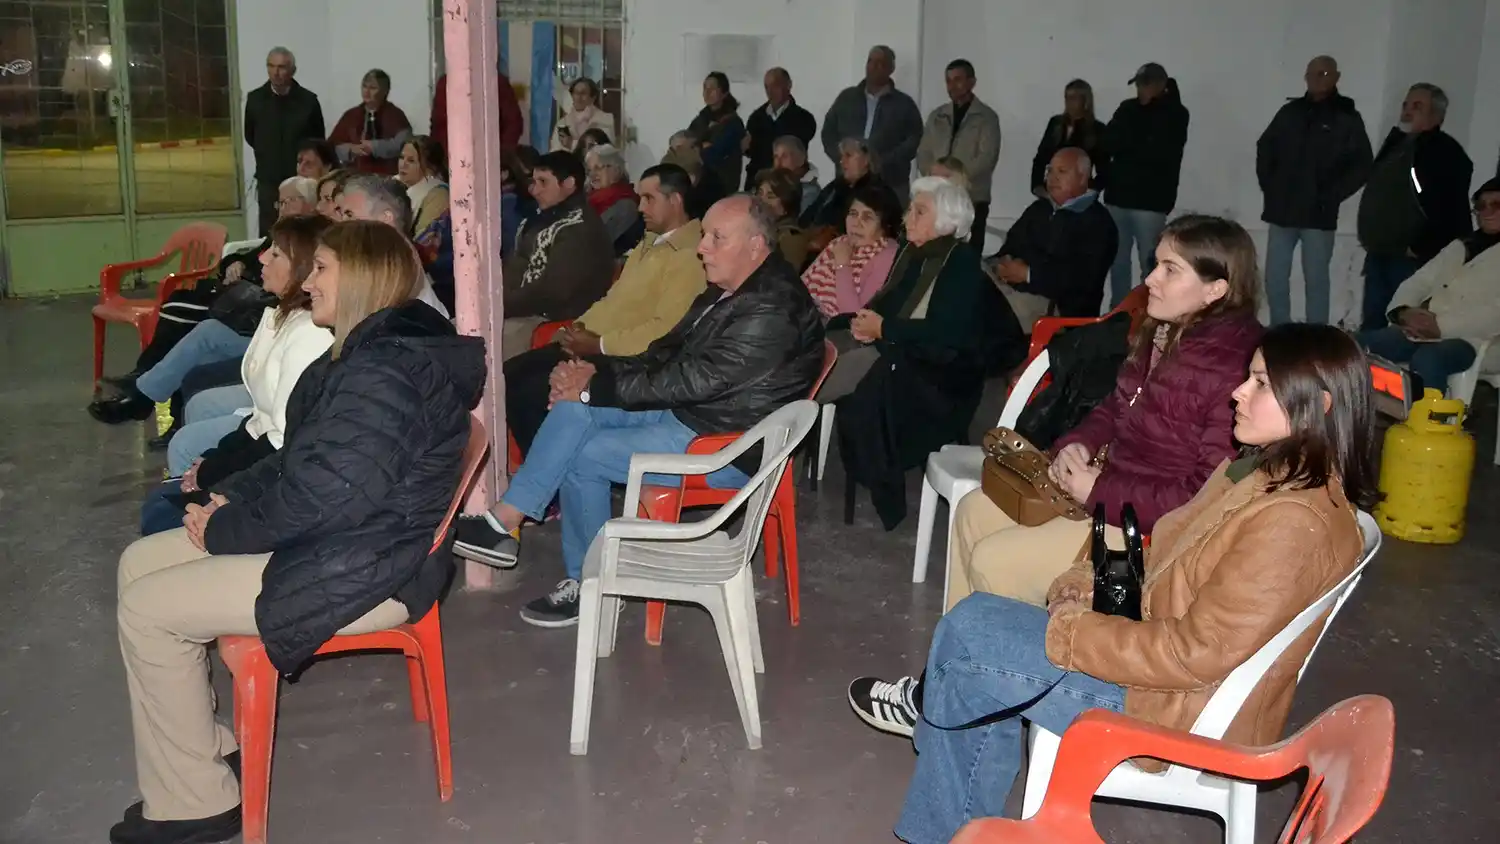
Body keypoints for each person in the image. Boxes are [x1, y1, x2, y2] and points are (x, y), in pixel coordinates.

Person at [858, 323, 1373, 844]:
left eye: (1261, 383)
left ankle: (936, 779)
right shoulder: (1262, 475)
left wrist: (1074, 632)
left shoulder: (1292, 523)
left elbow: (1195, 654)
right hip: (1158, 665)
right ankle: (945, 800)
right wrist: (1088, 582)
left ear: (1319, 405)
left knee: (966, 646)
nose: (1239, 390)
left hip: (1174, 706)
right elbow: (1166, 557)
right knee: (971, 633)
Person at [107, 220, 485, 844]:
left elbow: (326, 497)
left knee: (148, 609)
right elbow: (298, 464)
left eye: (322, 268)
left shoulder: (382, 375)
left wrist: (226, 528)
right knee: (138, 563)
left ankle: (196, 805)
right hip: (344, 541)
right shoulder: (366, 355)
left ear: (361, 279)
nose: (308, 281)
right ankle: (206, 753)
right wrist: (226, 496)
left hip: (365, 567)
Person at [453, 196, 823, 626]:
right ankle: (504, 524)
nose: (701, 247)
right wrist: (595, 373)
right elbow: (665, 353)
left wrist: (593, 387)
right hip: (695, 414)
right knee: (574, 413)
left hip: (724, 442)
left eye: (716, 238)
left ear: (757, 246)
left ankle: (592, 587)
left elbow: (690, 379)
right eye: (704, 235)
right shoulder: (730, 290)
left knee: (583, 452)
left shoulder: (770, 309)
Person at [942, 214, 1264, 612]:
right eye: (1155, 264)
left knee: (996, 563)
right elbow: (1116, 407)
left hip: (1148, 534)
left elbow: (1202, 498)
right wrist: (1078, 442)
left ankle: (1005, 667)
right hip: (1112, 492)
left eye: (1170, 270)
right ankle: (951, 667)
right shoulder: (1165, 332)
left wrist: (1097, 491)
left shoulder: (1234, 370)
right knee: (974, 511)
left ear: (1215, 289)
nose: (1150, 280)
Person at [467, 164, 707, 492]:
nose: (640, 207)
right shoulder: (649, 243)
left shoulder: (689, 256)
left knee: (531, 390)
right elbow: (612, 301)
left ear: (676, 201)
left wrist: (598, 345)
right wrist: (576, 330)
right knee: (510, 375)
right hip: (598, 342)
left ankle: (556, 485)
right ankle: (547, 479)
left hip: (633, 358)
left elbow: (662, 331)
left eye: (649, 199)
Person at [832, 177, 1026, 529]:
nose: (908, 217)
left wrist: (884, 330)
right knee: (834, 347)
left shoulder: (960, 263)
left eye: (919, 211)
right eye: (911, 209)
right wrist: (867, 323)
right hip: (906, 352)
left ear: (947, 223)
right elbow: (888, 306)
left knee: (843, 374)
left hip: (943, 377)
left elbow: (948, 334)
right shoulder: (913, 254)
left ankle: (786, 433)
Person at [139, 215, 336, 535]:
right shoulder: (284, 316)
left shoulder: (310, 334)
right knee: (159, 504)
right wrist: (213, 461)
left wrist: (216, 477)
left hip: (280, 482)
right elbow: (260, 420)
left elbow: (282, 444)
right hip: (267, 459)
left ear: (300, 267)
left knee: (159, 514)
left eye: (275, 253)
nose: (261, 257)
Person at [87, 177, 324, 426]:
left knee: (187, 319)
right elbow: (250, 257)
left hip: (253, 312)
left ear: (310, 203)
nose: (282, 207)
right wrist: (235, 263)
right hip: (247, 305)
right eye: (280, 202)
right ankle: (145, 391)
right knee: (186, 315)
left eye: (289, 201)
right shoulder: (282, 234)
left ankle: (143, 390)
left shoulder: (304, 242)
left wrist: (252, 277)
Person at [1256, 55, 1373, 325]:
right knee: (1274, 277)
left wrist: (1330, 195)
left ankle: (1317, 340)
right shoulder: (1290, 113)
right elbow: (1266, 148)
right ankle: (1280, 333)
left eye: (1322, 74)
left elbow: (1362, 164)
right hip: (1282, 211)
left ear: (1336, 77)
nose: (1316, 79)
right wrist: (1271, 188)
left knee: (1316, 280)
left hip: (1318, 215)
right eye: (1311, 74)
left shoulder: (1346, 117)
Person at [1358, 177, 1500, 391]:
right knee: (1358, 345)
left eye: (1496, 205)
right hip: (1422, 330)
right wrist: (1403, 312)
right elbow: (1419, 281)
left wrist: (1440, 326)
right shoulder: (1462, 246)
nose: (1487, 211)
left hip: (1478, 340)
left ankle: (1429, 422)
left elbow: (1495, 314)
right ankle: (1353, 414)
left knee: (1429, 359)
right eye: (1481, 206)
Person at [1356, 82, 1474, 330]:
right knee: (1373, 324)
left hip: (1410, 258)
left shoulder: (1445, 152)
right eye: (1406, 105)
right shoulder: (1397, 145)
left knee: (1401, 330)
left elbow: (1448, 209)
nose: (1407, 111)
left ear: (1436, 115)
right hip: (1381, 251)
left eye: (1417, 106)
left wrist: (1420, 246)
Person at [500, 151, 614, 358]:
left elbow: (553, 291)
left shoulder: (579, 228)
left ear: (569, 183)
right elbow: (516, 267)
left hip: (554, 318)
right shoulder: (540, 220)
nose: (535, 190)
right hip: (522, 311)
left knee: (485, 349)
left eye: (543, 182)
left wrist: (501, 306)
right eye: (533, 182)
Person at [988, 147, 1118, 327]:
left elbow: (1082, 281)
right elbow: (1012, 245)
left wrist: (1028, 274)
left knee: (984, 316)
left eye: (1062, 171)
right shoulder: (1040, 209)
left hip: (1059, 311)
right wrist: (1001, 264)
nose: (1052, 177)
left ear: (1083, 178)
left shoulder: (1099, 223)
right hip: (1013, 289)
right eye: (1049, 170)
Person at [1102, 62, 1190, 305]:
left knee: (1150, 263)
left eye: (1146, 84)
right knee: (1117, 261)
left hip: (1151, 201)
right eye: (1140, 84)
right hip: (1118, 196)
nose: (1141, 89)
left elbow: (1158, 151)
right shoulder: (1127, 108)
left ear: (1161, 85)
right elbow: (1108, 142)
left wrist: (1130, 138)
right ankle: (1119, 314)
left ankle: (1146, 313)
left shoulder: (1175, 113)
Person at [334, 173, 452, 318]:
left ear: (386, 218)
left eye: (349, 214)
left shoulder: (394, 265)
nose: (341, 223)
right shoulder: (391, 259)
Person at [916, 59, 1002, 252]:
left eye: (958, 80)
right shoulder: (937, 116)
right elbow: (923, 153)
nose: (952, 86)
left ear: (972, 82)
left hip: (972, 197)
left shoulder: (987, 118)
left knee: (967, 256)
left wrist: (953, 178)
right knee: (935, 253)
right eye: (948, 81)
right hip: (936, 197)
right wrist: (935, 176)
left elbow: (986, 158)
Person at [821, 45, 925, 203]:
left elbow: (914, 139)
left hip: (890, 182)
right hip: (849, 181)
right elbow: (828, 132)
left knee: (889, 225)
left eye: (881, 63)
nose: (875, 66)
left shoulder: (904, 104)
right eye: (871, 61)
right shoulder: (846, 98)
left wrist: (879, 161)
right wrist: (844, 158)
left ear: (891, 69)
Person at [244, 47, 323, 235]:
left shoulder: (308, 101)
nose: (276, 72)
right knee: (269, 231)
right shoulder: (255, 100)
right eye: (271, 66)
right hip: (268, 181)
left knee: (300, 232)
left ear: (292, 70)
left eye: (281, 67)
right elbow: (250, 135)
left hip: (300, 181)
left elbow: (318, 141)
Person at [800, 184, 903, 319]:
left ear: (886, 224)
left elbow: (855, 316)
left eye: (867, 217)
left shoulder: (887, 253)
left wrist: (843, 265)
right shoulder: (841, 242)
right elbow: (801, 287)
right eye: (853, 214)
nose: (856, 223)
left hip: (837, 330)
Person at [327, 69, 413, 176]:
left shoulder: (395, 115)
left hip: (387, 178)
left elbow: (405, 146)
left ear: (385, 91)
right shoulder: (351, 115)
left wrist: (374, 147)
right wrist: (351, 149)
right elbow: (331, 147)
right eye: (364, 86)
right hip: (354, 178)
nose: (366, 92)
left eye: (373, 88)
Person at [744, 67, 817, 191]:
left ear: (789, 85)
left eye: (775, 85)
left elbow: (794, 148)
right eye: (767, 87)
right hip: (758, 182)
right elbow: (750, 150)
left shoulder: (804, 118)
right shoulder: (756, 117)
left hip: (787, 184)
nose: (770, 91)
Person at [1031, 79, 1107, 198]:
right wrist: (1037, 186)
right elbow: (1040, 158)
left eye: (1074, 98)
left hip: (1079, 194)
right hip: (1051, 191)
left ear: (1085, 101)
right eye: (1067, 97)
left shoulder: (1097, 129)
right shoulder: (1055, 123)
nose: (1069, 102)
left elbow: (1104, 169)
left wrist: (1090, 191)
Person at [802, 138, 892, 231]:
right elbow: (807, 216)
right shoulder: (835, 186)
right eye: (841, 156)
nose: (842, 161)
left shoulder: (877, 193)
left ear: (866, 160)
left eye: (848, 155)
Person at [430, 66, 523, 153]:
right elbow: (438, 126)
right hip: (451, 159)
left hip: (489, 159)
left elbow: (513, 123)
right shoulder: (446, 84)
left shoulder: (496, 82)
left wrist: (499, 156)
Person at [688, 72, 747, 193]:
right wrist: (702, 146)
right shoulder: (700, 120)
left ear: (724, 93)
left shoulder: (733, 122)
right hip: (699, 180)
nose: (707, 92)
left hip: (722, 183)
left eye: (712, 88)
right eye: (705, 88)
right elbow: (687, 146)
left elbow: (714, 154)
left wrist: (700, 148)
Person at [583, 143, 643, 255]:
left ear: (615, 170)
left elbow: (597, 244)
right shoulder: (588, 200)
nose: (592, 174)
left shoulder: (625, 205)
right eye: (589, 170)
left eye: (598, 168)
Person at [753, 167, 812, 268]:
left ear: (786, 205)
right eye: (760, 193)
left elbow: (784, 280)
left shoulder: (792, 239)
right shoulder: (758, 228)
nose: (760, 200)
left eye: (770, 196)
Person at [396, 135, 450, 236]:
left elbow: (426, 241)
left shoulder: (438, 195)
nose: (403, 164)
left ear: (430, 168)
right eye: (401, 157)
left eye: (411, 161)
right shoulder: (392, 183)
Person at [551, 76, 615, 152]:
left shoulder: (605, 119)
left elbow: (604, 150)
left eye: (583, 93)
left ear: (593, 97)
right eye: (576, 93)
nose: (578, 97)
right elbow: (555, 151)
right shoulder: (563, 123)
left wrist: (572, 144)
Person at [771, 135, 821, 216]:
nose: (778, 163)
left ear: (801, 158)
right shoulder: (768, 185)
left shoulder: (810, 193)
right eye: (776, 156)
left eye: (785, 156)